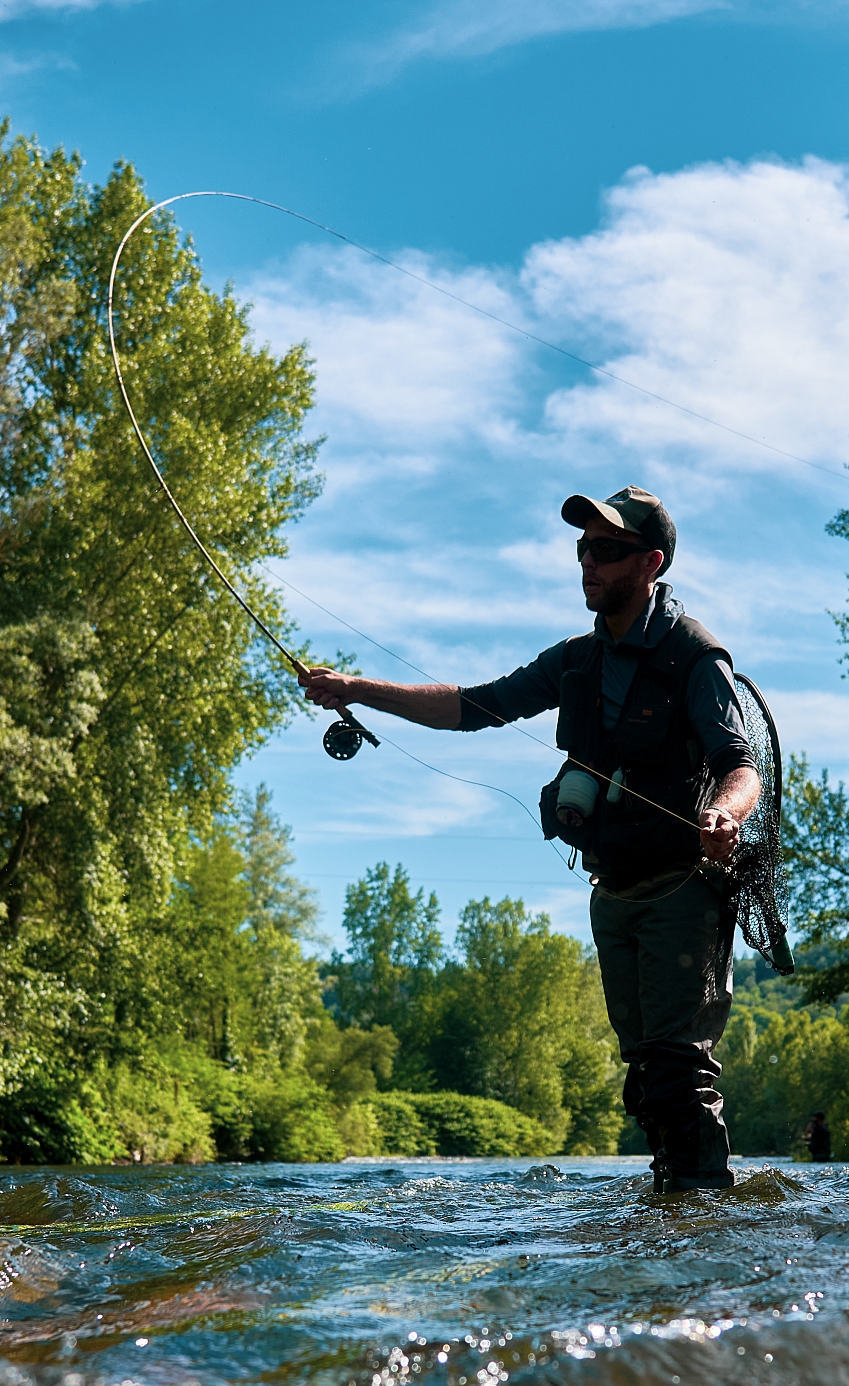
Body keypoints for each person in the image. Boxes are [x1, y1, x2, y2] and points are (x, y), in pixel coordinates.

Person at [298, 486, 760, 1190]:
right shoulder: (574, 658)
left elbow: (741, 766)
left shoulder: (695, 656)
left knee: (678, 1073)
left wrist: (725, 815)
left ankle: (704, 1228)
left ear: (651, 563)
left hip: (682, 892)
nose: (588, 562)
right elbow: (471, 705)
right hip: (614, 895)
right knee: (646, 1080)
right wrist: (356, 689)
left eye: (607, 550)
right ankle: (673, 1221)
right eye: (583, 548)